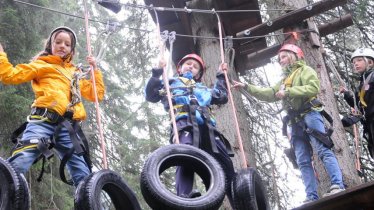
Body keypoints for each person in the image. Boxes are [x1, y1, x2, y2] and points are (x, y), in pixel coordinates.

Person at [233, 44, 345, 203]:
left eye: (284, 56)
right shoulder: (283, 81)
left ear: (295, 56)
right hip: (294, 121)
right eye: (279, 59)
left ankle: (337, 184)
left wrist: (288, 92)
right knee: (302, 159)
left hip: (310, 114)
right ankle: (311, 196)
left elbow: (313, 88)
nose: (281, 61)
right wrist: (247, 86)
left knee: (322, 150)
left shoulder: (305, 71)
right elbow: (269, 93)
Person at [0, 26, 105, 187]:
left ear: (72, 49)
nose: (62, 46)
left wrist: (95, 71)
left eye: (67, 44)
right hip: (43, 120)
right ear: (51, 45)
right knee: (22, 159)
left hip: (68, 127)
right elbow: (10, 76)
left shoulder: (75, 73)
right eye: (58, 42)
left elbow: (96, 94)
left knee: (84, 176)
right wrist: (1, 55)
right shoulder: (42, 65)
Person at [145, 54, 235, 205]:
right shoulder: (170, 83)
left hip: (207, 127)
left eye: (195, 66)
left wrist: (221, 76)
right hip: (184, 123)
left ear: (198, 74)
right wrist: (157, 72)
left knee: (224, 162)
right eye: (188, 64)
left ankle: (240, 200)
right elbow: (151, 95)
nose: (191, 67)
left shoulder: (203, 89)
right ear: (179, 68)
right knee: (185, 154)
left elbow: (221, 96)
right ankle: (185, 197)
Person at [340, 48, 374, 157]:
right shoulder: (362, 85)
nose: (356, 64)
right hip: (369, 123)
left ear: (370, 62)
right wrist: (347, 95)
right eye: (354, 62)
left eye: (359, 60)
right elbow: (359, 105)